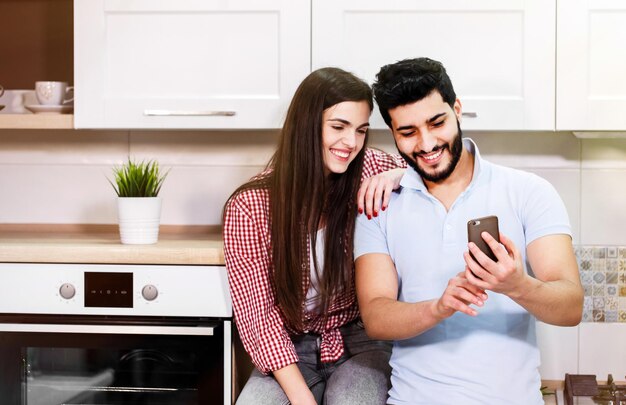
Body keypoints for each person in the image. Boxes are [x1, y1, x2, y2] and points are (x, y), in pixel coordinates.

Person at [354, 57, 583, 405]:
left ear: (457, 109)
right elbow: (375, 316)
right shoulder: (380, 205)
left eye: (437, 122)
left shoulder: (528, 192)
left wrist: (517, 285)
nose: (427, 143)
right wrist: (438, 308)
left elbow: (571, 307)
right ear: (393, 133)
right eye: (408, 132)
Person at [223, 67, 406, 405]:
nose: (351, 143)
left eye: (361, 130)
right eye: (338, 127)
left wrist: (397, 176)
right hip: (290, 347)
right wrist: (302, 399)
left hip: (360, 340)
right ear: (306, 125)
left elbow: (431, 175)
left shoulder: (368, 170)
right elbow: (259, 318)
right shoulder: (250, 205)